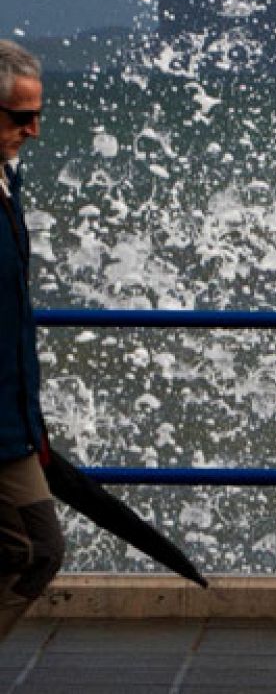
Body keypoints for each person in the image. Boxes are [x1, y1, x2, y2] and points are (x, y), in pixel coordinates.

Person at [0, 41, 62, 640]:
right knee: (37, 549)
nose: (34, 130)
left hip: (12, 424)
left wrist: (30, 421)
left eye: (37, 115)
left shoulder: (5, 182)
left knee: (33, 550)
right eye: (21, 117)